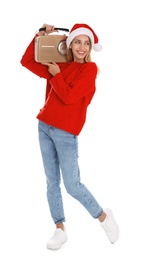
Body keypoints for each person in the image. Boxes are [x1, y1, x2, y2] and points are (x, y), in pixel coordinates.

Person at [20, 23, 119, 250]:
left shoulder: (90, 70)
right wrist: (39, 35)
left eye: (86, 43)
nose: (81, 47)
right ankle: (59, 228)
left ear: (91, 47)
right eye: (77, 42)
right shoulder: (60, 64)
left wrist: (55, 76)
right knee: (51, 182)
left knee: (72, 185)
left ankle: (103, 216)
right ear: (69, 44)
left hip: (66, 133)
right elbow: (27, 61)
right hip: (44, 126)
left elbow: (69, 97)